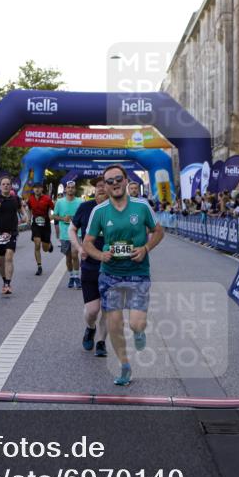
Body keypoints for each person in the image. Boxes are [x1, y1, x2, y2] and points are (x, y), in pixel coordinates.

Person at [83, 164, 165, 386]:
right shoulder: (99, 212)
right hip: (110, 276)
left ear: (126, 180)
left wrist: (145, 249)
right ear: (105, 186)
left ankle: (139, 332)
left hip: (138, 273)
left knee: (136, 324)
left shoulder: (141, 206)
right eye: (109, 181)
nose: (114, 184)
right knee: (114, 324)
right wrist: (101, 255)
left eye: (118, 179)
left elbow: (159, 231)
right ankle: (125, 366)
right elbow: (87, 243)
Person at [70, 177, 110, 356]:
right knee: (93, 310)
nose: (101, 188)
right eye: (98, 186)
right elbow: (72, 229)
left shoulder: (117, 208)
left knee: (109, 308)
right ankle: (90, 327)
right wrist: (79, 248)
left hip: (112, 267)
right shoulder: (85, 207)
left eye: (104, 185)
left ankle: (101, 342)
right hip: (90, 264)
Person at [0, 175, 22, 295]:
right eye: (3, 184)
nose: (6, 186)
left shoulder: (15, 199)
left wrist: (26, 215)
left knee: (9, 257)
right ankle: (4, 281)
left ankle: (7, 283)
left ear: (11, 186)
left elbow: (21, 209)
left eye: (8, 184)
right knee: (1, 261)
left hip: (11, 233)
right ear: (0, 186)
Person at [53, 180, 83, 289]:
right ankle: (71, 276)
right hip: (64, 234)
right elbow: (54, 216)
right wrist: (62, 218)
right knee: (68, 257)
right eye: (68, 187)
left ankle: (77, 277)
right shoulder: (60, 202)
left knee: (75, 254)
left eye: (72, 187)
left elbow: (83, 216)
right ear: (65, 189)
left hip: (76, 232)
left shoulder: (80, 202)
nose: (70, 189)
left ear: (75, 189)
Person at [26, 182, 54, 276]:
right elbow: (29, 209)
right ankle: (39, 266)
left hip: (45, 225)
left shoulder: (47, 199)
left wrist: (51, 215)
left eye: (39, 188)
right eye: (35, 188)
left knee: (45, 249)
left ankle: (49, 245)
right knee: (37, 243)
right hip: (36, 225)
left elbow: (53, 208)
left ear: (42, 189)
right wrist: (29, 218)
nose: (37, 189)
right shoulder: (31, 199)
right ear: (33, 189)